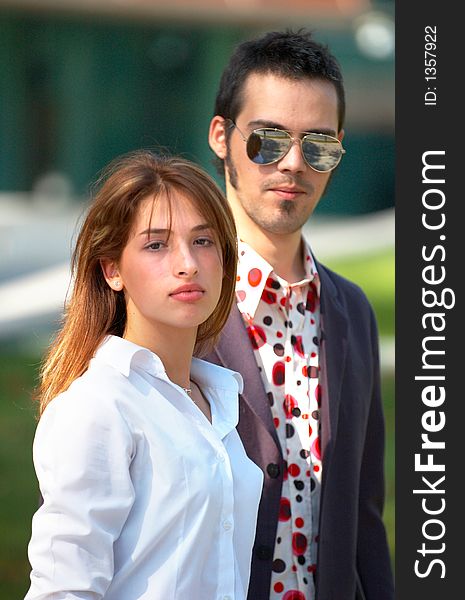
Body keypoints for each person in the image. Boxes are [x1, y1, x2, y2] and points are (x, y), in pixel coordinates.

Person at [206, 29, 394, 600]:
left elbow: (363, 518)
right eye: (267, 140)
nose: (293, 164)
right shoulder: (177, 302)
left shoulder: (352, 312)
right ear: (221, 136)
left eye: (317, 145)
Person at [24, 151, 263, 600]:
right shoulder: (99, 406)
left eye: (204, 241)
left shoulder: (218, 397)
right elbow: (64, 589)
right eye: (156, 244)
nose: (187, 264)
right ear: (112, 270)